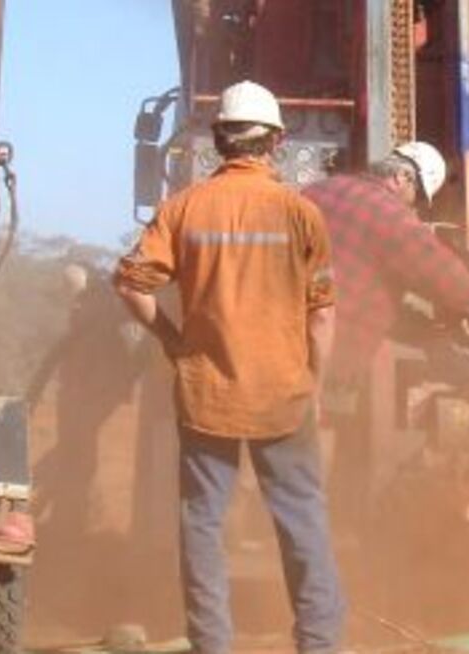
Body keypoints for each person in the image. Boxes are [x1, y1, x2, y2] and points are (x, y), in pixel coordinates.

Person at [113, 80, 345, 654]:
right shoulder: (301, 214)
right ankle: (319, 643)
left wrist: (173, 342)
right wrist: (315, 386)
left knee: (202, 522)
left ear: (219, 140)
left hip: (206, 394)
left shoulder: (183, 208)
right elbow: (321, 317)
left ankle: (212, 643)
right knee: (302, 520)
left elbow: (131, 284)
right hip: (284, 395)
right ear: (277, 142)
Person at [302, 141, 469, 519]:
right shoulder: (388, 212)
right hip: (335, 346)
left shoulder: (317, 191)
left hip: (283, 335)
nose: (413, 206)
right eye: (416, 196)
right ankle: (338, 520)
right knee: (344, 430)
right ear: (402, 177)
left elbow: (355, 268)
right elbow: (432, 266)